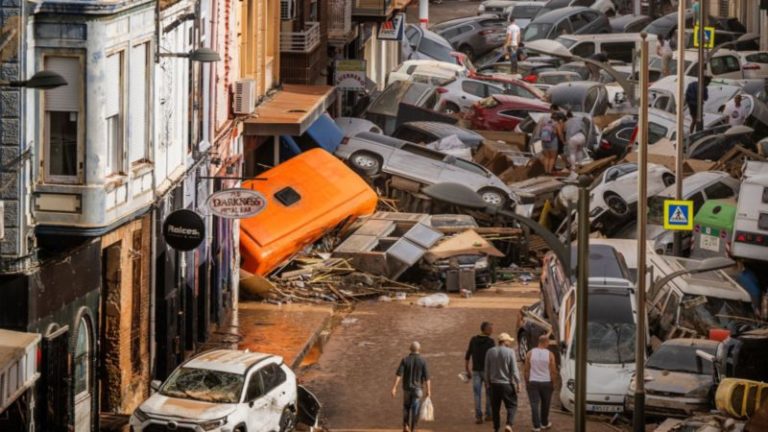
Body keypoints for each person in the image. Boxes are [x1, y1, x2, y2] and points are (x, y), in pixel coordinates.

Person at [392, 341, 432, 432]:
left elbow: (399, 374)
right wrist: (429, 390)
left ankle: (405, 425)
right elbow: (427, 378)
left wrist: (394, 387)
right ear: (419, 349)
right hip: (418, 390)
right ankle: (414, 429)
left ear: (410, 349)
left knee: (406, 407)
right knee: (416, 409)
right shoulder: (423, 361)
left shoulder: (405, 360)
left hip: (407, 389)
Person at [484, 332, 520, 432]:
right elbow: (514, 369)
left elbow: (486, 369)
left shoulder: (490, 352)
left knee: (495, 409)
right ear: (505, 341)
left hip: (493, 385)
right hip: (506, 384)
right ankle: (509, 424)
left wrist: (487, 383)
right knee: (512, 405)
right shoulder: (510, 352)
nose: (510, 342)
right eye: (509, 341)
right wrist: (518, 382)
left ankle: (496, 428)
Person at [524, 335, 557, 432]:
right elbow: (553, 370)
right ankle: (544, 423)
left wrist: (527, 382)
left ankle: (536, 426)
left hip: (533, 381)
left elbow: (526, 369)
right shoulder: (550, 354)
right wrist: (553, 383)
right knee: (546, 404)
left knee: (534, 404)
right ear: (546, 342)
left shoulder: (530, 353)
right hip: (546, 382)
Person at [465, 322, 496, 424]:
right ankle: (488, 414)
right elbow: (493, 358)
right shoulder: (491, 342)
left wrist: (467, 369)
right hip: (487, 372)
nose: (492, 330)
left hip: (475, 371)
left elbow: (468, 355)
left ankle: (478, 417)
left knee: (477, 394)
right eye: (490, 329)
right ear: (485, 330)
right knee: (489, 393)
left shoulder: (473, 340)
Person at [540, 105, 561, 175]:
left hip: (544, 140)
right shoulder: (556, 123)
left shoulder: (544, 119)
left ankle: (546, 171)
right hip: (552, 141)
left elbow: (541, 129)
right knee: (552, 158)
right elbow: (559, 133)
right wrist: (563, 140)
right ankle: (549, 172)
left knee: (546, 157)